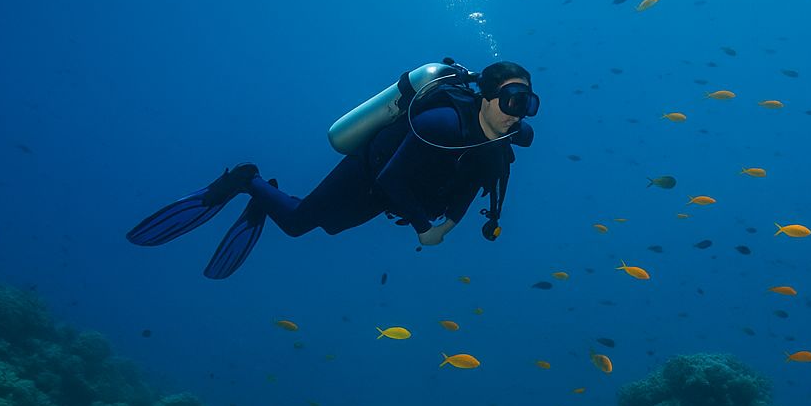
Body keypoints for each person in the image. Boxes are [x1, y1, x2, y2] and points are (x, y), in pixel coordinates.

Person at [126, 61, 538, 278]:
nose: (516, 115)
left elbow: (472, 187)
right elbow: (391, 176)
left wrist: (445, 225)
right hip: (371, 172)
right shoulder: (440, 124)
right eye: (510, 101)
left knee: (331, 226)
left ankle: (268, 198)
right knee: (298, 223)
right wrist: (423, 227)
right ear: (484, 96)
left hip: (394, 194)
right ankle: (246, 180)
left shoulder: (496, 146)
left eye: (526, 105)